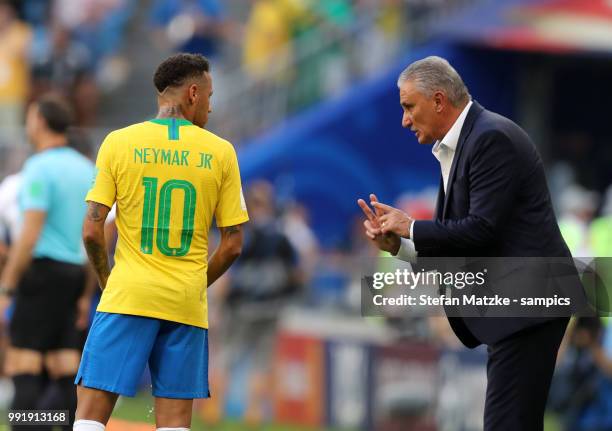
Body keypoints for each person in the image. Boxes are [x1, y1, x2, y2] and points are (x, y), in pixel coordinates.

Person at [357, 56, 578, 430]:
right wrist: (400, 246)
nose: (404, 120)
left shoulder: (490, 137)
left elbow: (481, 231)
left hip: (529, 307)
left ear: (439, 101)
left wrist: (412, 227)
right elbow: (461, 242)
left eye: (409, 107)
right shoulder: (465, 141)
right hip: (516, 307)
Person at [73, 53, 249, 431]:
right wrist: (193, 283)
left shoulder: (119, 142)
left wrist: (108, 281)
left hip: (128, 294)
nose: (211, 106)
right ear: (192, 92)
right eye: (210, 96)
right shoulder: (221, 152)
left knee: (89, 416)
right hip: (185, 303)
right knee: (173, 424)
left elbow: (92, 229)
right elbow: (233, 243)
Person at [0, 95, 94, 429]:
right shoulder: (87, 168)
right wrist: (86, 291)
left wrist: (8, 285)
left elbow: (29, 234)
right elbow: (94, 235)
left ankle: (32, 427)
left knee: (23, 364)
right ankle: (60, 424)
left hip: (40, 274)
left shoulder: (38, 167)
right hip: (74, 275)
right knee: (64, 363)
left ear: (39, 121)